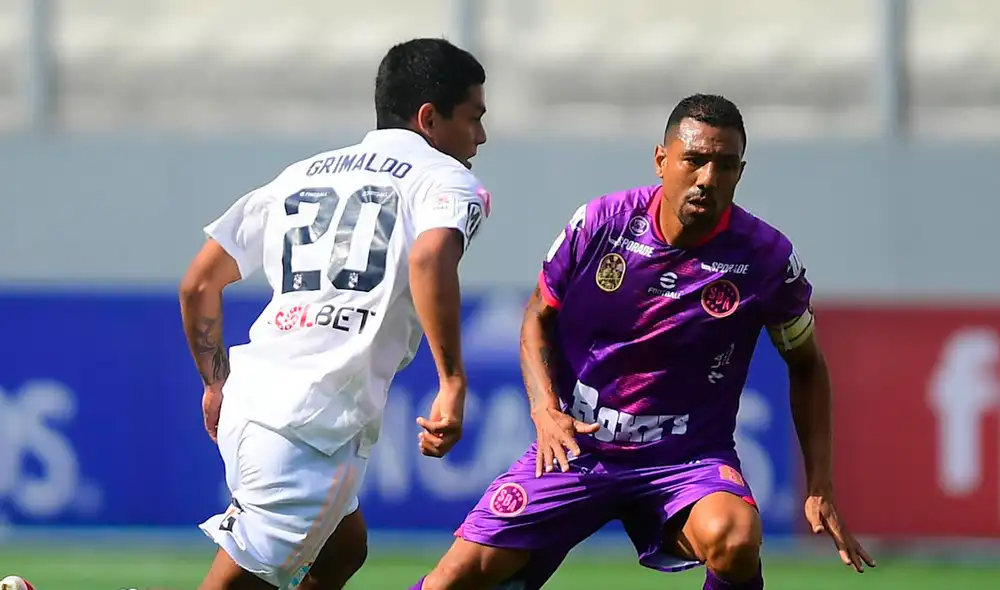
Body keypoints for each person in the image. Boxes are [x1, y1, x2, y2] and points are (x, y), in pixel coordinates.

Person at [410, 94, 875, 590]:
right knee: (449, 582)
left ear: (740, 172)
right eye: (694, 160)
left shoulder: (766, 259)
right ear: (661, 160)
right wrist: (544, 409)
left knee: (736, 537)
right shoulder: (601, 225)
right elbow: (537, 317)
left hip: (687, 461)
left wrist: (819, 484)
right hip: (578, 450)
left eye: (724, 165)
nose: (707, 178)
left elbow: (807, 364)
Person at [178, 37, 492, 590]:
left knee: (342, 550)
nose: (481, 137)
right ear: (429, 118)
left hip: (256, 403)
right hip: (310, 428)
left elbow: (199, 282)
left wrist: (213, 383)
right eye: (474, 117)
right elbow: (429, 257)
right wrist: (452, 381)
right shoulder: (445, 180)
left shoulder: (302, 174)